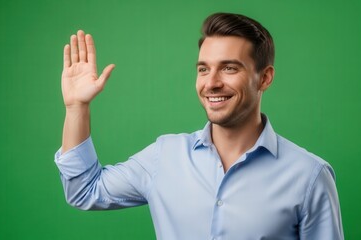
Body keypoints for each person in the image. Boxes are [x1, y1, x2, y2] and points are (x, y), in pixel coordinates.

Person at [55, 12, 344, 239]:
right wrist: (77, 108)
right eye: (203, 69)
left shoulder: (309, 176)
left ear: (264, 78)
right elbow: (84, 191)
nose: (212, 82)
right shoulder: (164, 156)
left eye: (229, 68)